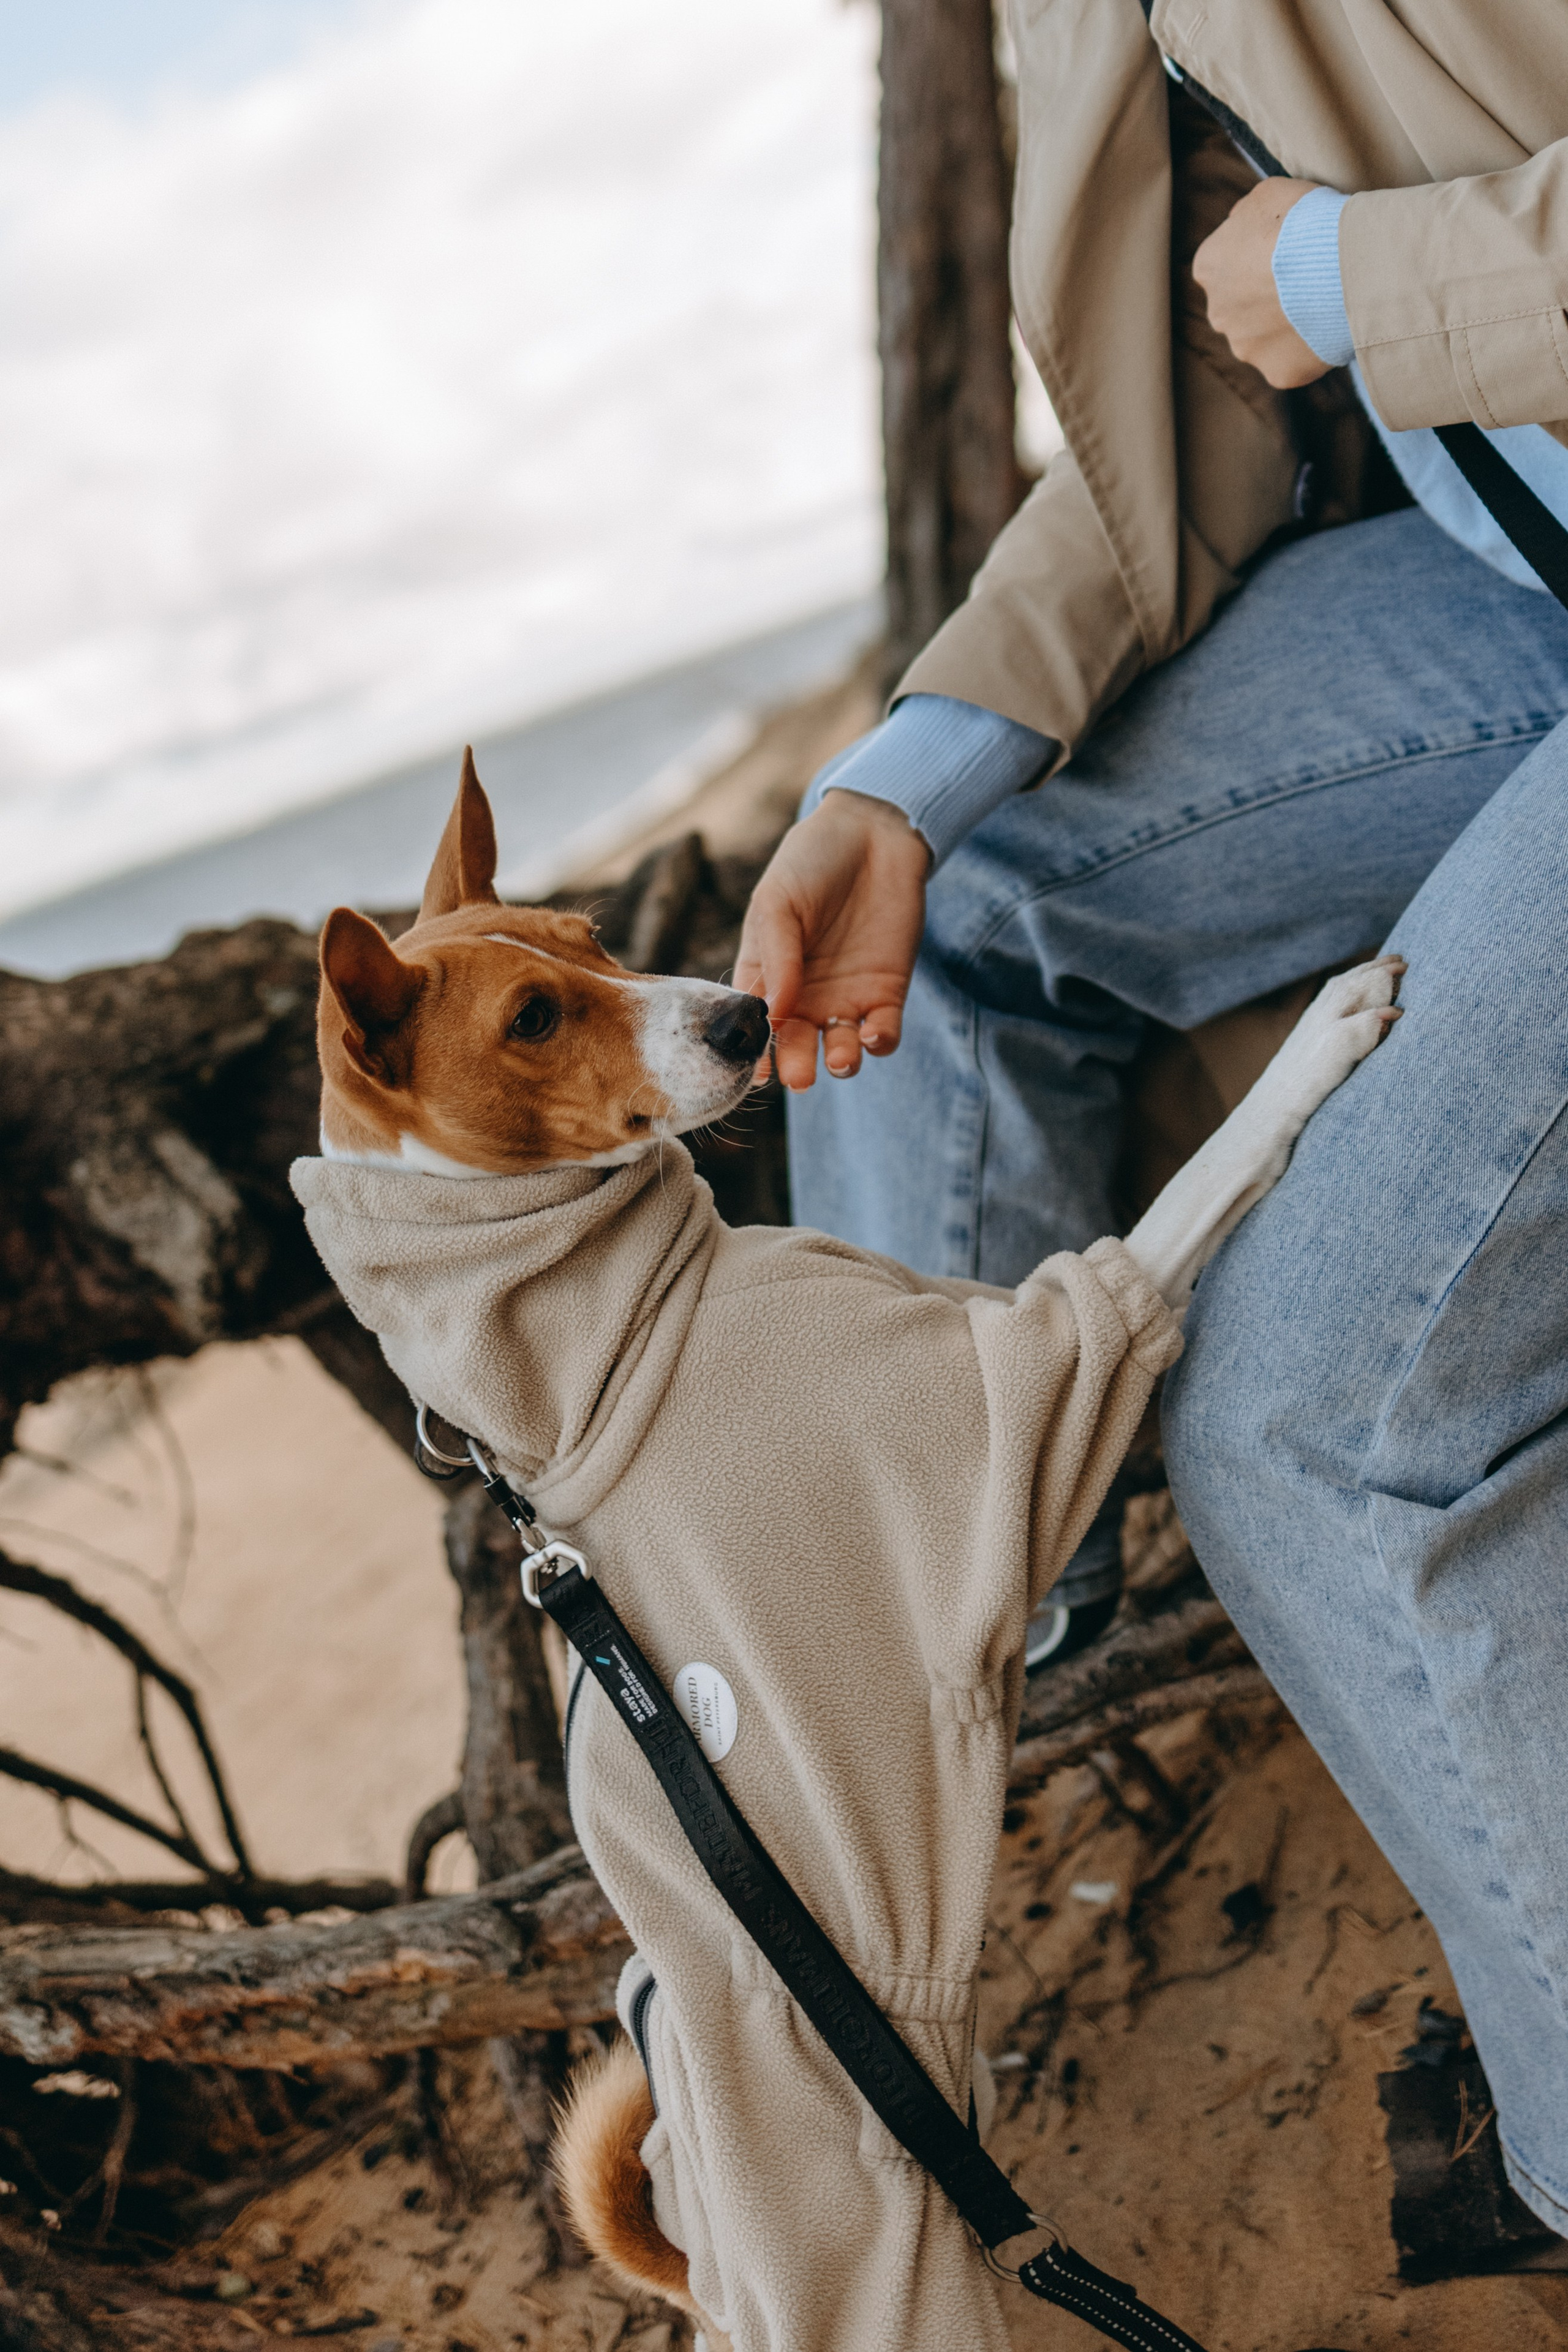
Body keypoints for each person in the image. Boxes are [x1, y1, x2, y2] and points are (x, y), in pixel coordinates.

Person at [733, 0, 1568, 2243]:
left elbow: (1295, 295)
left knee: (1310, 1409)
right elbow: (1191, 416)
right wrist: (898, 774)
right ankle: (937, 1686)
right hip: (1523, 601)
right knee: (968, 900)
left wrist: (1346, 284)